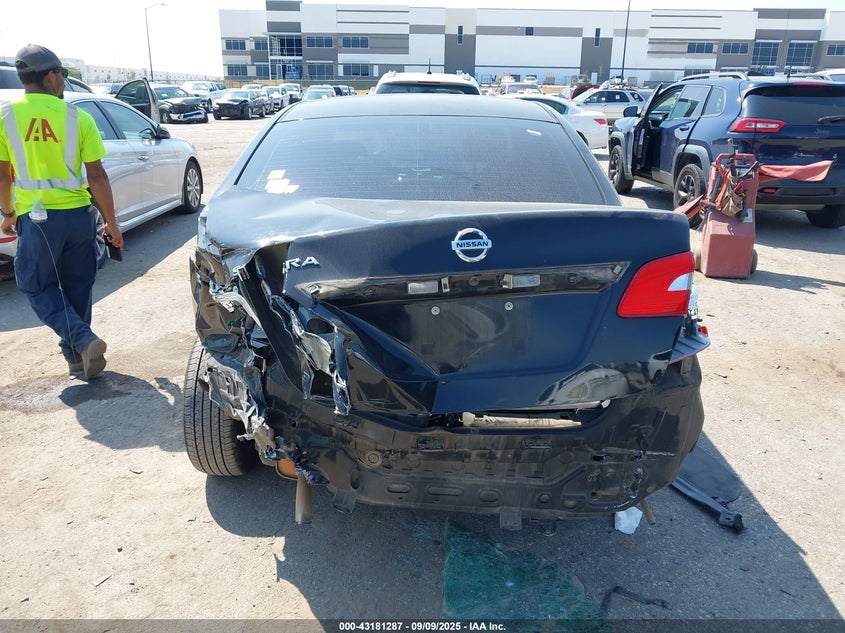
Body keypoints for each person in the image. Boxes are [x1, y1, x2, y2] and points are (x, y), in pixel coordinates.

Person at [0, 43, 123, 380]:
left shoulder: (5, 116)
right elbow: (97, 175)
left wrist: (8, 212)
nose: (64, 81)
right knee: (78, 285)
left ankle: (82, 340)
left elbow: (2, 174)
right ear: (51, 77)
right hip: (79, 217)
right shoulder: (78, 117)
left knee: (34, 284)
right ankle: (78, 356)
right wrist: (111, 223)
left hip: (38, 219)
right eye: (63, 75)